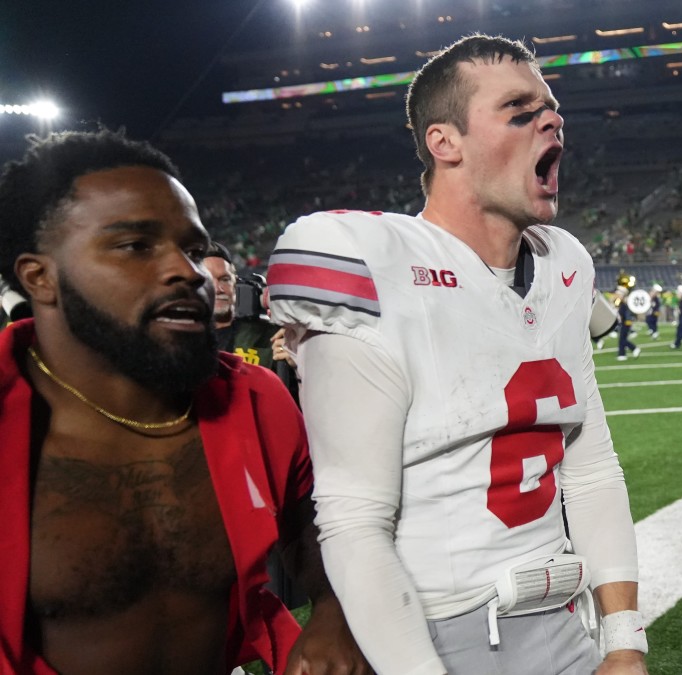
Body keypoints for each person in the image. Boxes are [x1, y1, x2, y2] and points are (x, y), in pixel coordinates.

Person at [268, 35, 646, 675]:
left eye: (551, 108)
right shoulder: (370, 261)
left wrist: (624, 639)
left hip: (562, 618)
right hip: (437, 632)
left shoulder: (564, 262)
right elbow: (353, 523)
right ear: (445, 143)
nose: (552, 119)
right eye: (520, 111)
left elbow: (590, 465)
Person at [0, 130, 366, 674]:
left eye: (193, 249)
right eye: (135, 246)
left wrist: (335, 611)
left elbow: (311, 522)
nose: (187, 271)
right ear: (40, 277)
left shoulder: (252, 400)